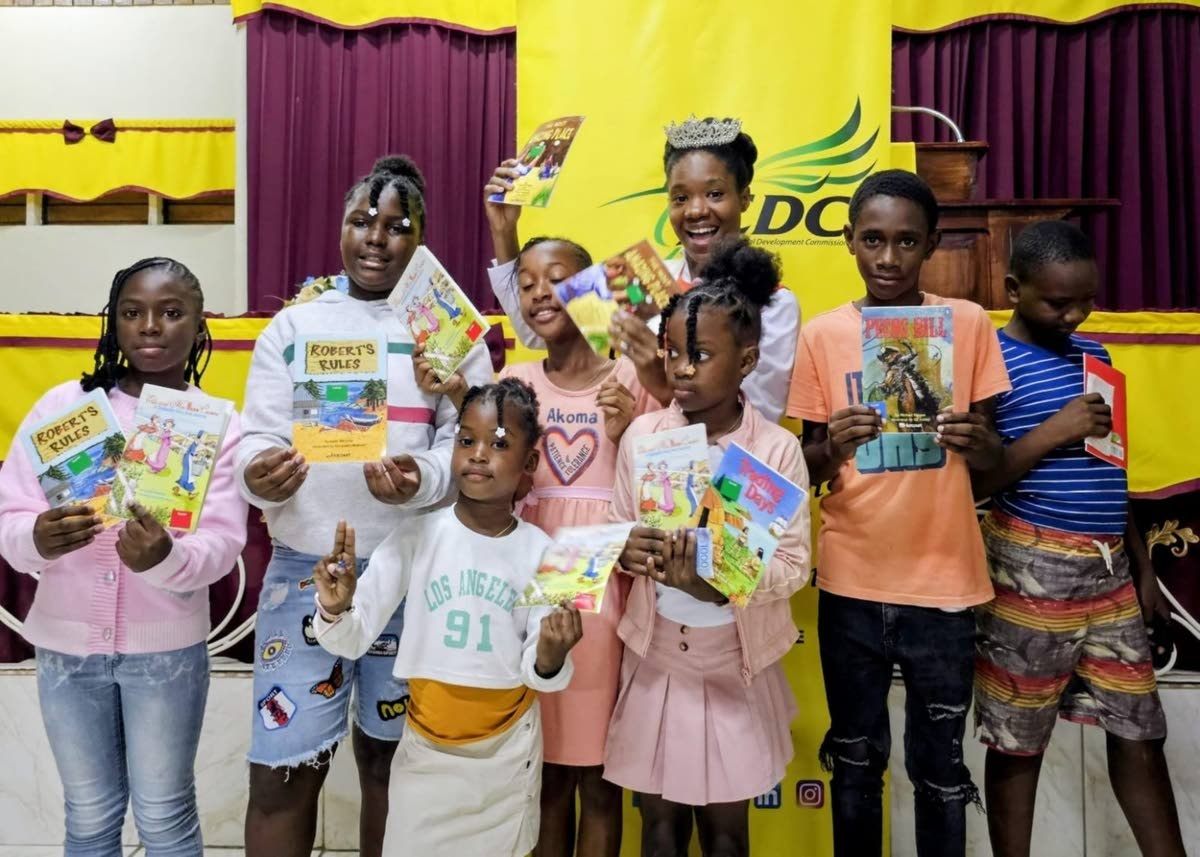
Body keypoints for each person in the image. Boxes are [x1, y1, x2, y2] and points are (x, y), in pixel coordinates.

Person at [236, 155, 494, 857]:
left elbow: (473, 437)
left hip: (411, 572)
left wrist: (426, 478)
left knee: (394, 765)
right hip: (302, 569)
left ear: (421, 238)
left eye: (396, 225)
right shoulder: (293, 328)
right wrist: (264, 475)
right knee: (285, 771)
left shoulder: (447, 328)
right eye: (362, 221)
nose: (376, 238)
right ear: (341, 228)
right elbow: (255, 439)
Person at [786, 169, 1010, 857]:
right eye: (874, 240)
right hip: (852, 582)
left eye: (906, 241)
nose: (889, 258)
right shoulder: (823, 335)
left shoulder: (966, 325)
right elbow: (805, 468)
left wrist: (977, 441)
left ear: (932, 244)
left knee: (940, 770)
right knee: (854, 763)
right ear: (850, 241)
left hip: (944, 584)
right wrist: (835, 443)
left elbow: (996, 457)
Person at [0, 257, 248, 855]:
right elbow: (9, 517)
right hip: (65, 649)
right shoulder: (63, 407)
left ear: (199, 325)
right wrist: (36, 537)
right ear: (114, 324)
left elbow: (222, 544)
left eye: (171, 313)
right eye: (132, 313)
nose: (151, 327)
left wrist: (165, 559)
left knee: (164, 815)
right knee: (88, 815)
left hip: (164, 654)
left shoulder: (217, 422)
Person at [969, 220, 1187, 857]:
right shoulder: (992, 359)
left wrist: (1142, 571)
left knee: (1140, 731)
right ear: (1014, 288)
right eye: (1056, 302)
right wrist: (1055, 430)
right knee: (1018, 741)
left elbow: (1111, 469)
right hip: (1026, 565)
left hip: (1109, 568)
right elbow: (984, 477)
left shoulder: (1098, 358)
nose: (1073, 314)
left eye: (1085, 300)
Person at [310, 379, 584, 856]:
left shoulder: (548, 554)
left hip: (506, 758)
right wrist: (335, 607)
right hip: (424, 755)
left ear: (530, 464)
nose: (479, 454)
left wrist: (550, 655)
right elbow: (350, 640)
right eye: (466, 440)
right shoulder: (415, 535)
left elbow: (543, 678)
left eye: (499, 444)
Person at [607, 237, 811, 856]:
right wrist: (629, 549)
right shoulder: (645, 436)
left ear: (748, 361)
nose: (682, 370)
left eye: (701, 355)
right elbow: (618, 526)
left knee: (727, 837)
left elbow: (794, 565)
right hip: (656, 660)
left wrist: (720, 577)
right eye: (672, 354)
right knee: (659, 830)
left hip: (734, 663)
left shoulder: (772, 451)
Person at [487, 115, 801, 423]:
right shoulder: (649, 278)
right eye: (680, 197)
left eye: (715, 194)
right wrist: (503, 230)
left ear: (744, 199)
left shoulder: (773, 302)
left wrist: (659, 382)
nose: (695, 210)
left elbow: (758, 417)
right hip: (638, 464)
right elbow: (544, 331)